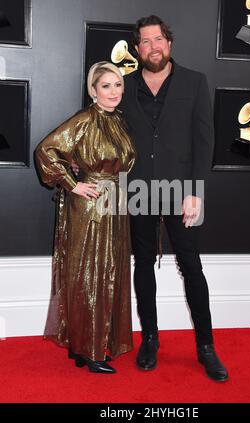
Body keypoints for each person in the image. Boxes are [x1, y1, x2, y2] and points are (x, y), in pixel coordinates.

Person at [121, 15, 229, 382]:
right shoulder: (123, 86)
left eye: (159, 39)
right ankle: (149, 339)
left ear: (169, 43)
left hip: (184, 192)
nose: (154, 47)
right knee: (143, 265)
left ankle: (206, 346)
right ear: (138, 49)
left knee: (192, 266)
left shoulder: (195, 82)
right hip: (138, 190)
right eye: (146, 41)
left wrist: (196, 191)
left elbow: (204, 140)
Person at [35, 61, 136, 374]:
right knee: (89, 274)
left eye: (117, 84)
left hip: (115, 203)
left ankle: (83, 345)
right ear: (93, 91)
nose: (113, 91)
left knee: (109, 272)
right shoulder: (85, 119)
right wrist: (72, 183)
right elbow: (46, 150)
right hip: (91, 207)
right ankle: (90, 350)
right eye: (106, 85)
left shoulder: (118, 119)